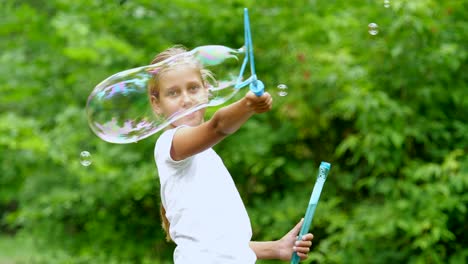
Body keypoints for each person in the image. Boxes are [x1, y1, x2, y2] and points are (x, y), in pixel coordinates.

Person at [149, 45, 313, 263]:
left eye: (193, 88)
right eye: (173, 93)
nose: (186, 99)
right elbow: (217, 127)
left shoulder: (206, 156)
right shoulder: (170, 144)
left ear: (207, 90)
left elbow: (222, 245)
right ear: (156, 104)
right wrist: (247, 105)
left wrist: (276, 248)